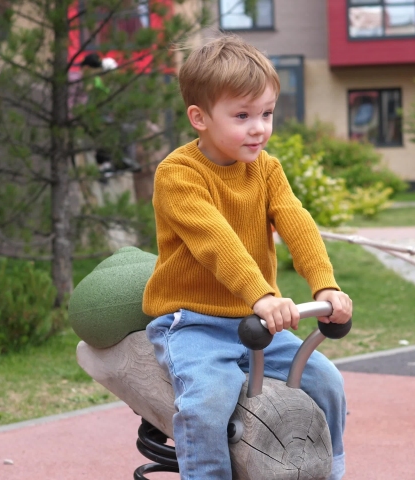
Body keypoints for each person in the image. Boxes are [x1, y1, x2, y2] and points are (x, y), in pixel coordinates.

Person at [142, 35, 352, 480]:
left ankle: (331, 471)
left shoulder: (266, 169)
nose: (259, 128)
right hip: (194, 322)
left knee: (327, 381)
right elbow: (216, 241)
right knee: (207, 404)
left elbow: (297, 223)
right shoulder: (178, 175)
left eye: (266, 113)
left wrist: (325, 285)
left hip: (258, 323)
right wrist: (262, 294)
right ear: (199, 118)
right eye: (242, 116)